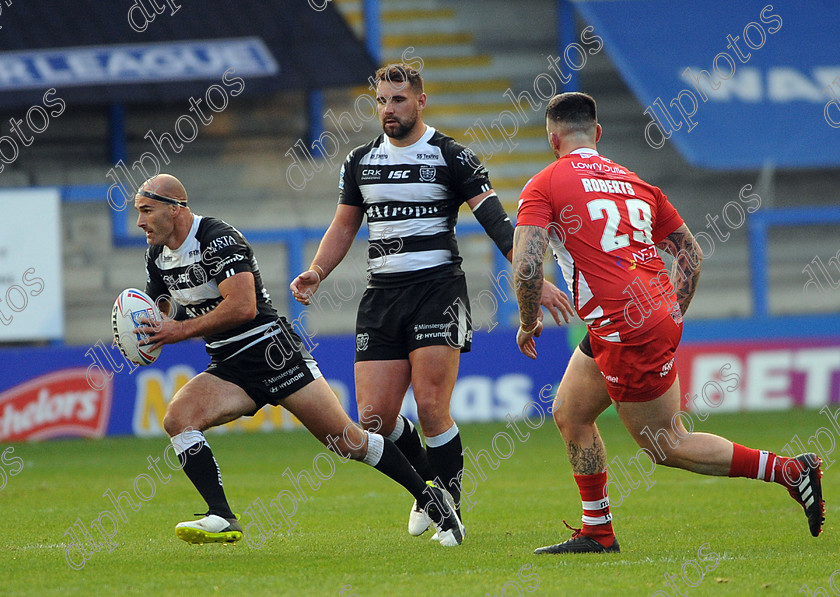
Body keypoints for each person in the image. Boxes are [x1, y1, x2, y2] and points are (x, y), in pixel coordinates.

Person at [512, 92, 825, 554]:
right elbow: (692, 256)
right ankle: (597, 532)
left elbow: (525, 266)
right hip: (635, 318)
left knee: (666, 444)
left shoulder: (545, 183)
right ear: (597, 134)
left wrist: (526, 320)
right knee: (571, 414)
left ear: (552, 138)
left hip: (623, 327)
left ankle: (792, 471)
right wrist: (671, 311)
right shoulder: (638, 184)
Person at [290, 64, 572, 537]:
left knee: (431, 405)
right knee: (374, 419)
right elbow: (344, 226)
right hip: (381, 295)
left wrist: (531, 277)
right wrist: (318, 271)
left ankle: (450, 508)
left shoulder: (451, 156)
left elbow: (498, 223)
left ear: (421, 101)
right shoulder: (360, 161)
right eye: (381, 100)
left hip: (437, 291)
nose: (388, 109)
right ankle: (432, 491)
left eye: (398, 99)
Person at [132, 173, 464, 547]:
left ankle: (432, 500)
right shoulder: (157, 256)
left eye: (146, 210)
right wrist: (145, 338)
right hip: (229, 365)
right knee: (178, 419)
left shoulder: (217, 239)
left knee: (348, 441)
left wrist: (178, 330)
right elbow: (162, 313)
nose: (140, 221)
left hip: (273, 353)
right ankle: (222, 515)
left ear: (175, 210)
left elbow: (243, 307)